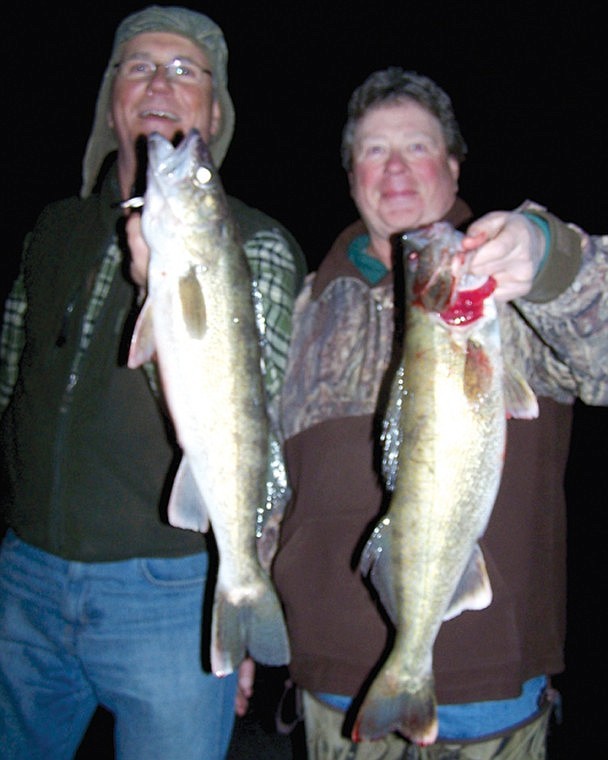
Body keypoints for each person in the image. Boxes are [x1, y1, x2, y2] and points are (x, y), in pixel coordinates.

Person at [272, 67, 608, 759]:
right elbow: (269, 479)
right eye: (373, 149)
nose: (395, 167)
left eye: (418, 147)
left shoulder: (508, 283)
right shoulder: (305, 305)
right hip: (333, 680)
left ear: (454, 166)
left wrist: (551, 258)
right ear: (350, 174)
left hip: (491, 683)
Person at [0, 6, 305, 759]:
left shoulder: (257, 242)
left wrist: (246, 575)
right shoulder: (55, 229)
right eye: (138, 66)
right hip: (24, 582)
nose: (158, 83)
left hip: (166, 596)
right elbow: (13, 379)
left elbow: (256, 431)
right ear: (112, 98)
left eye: (183, 70)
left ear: (214, 109)